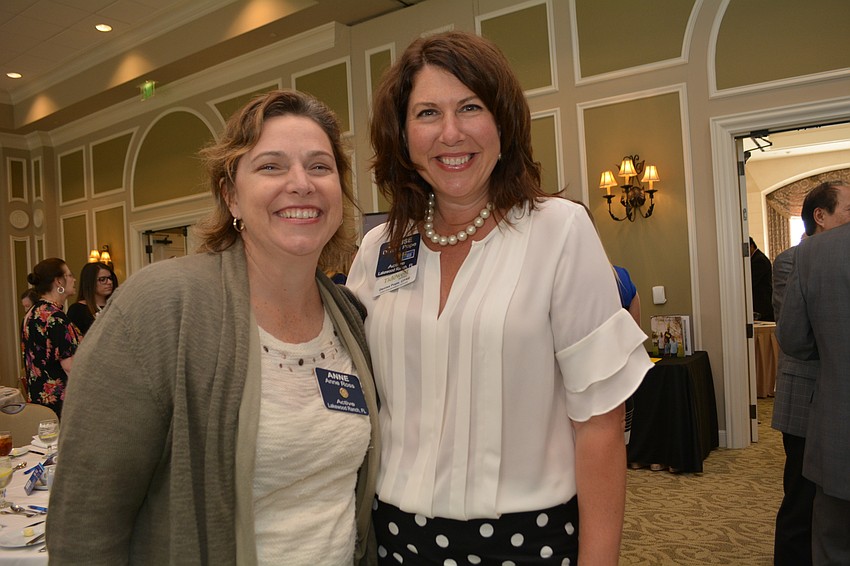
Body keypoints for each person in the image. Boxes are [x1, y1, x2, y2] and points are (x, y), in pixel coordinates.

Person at [347, 31, 651, 565]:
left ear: (503, 122)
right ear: (402, 134)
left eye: (470, 107)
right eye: (426, 113)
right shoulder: (379, 249)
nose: (450, 132)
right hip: (396, 539)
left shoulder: (560, 231)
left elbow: (601, 423)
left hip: (527, 542)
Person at [47, 90, 380, 565]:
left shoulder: (350, 316)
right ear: (230, 195)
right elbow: (86, 522)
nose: (301, 183)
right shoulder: (160, 309)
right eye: (271, 166)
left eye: (320, 166)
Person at [771, 180, 850, 566]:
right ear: (820, 215)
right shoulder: (791, 259)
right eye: (849, 210)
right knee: (800, 503)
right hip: (805, 396)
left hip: (834, 397)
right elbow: (796, 336)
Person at [20, 258, 81, 416]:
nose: (74, 279)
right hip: (61, 404)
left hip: (38, 403)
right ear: (59, 281)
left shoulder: (31, 313)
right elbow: (70, 367)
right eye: (69, 275)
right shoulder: (56, 317)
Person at [67, 261, 118, 335]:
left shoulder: (116, 306)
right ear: (90, 282)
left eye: (110, 278)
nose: (109, 282)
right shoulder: (78, 310)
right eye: (102, 279)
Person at [749, 236, 774, 321]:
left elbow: (751, 282)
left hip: (763, 305)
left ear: (751, 246)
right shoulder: (756, 258)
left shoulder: (759, 260)